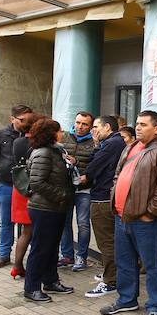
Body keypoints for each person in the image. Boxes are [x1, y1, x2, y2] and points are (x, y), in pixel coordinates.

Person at [100, 110, 157, 315]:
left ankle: (155, 306)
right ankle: (127, 300)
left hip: (145, 222)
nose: (138, 127)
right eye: (137, 124)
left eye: (144, 124)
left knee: (151, 265)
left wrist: (149, 214)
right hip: (122, 217)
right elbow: (117, 175)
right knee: (124, 262)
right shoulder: (130, 147)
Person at [23, 118, 75, 302]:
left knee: (52, 247)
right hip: (44, 208)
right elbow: (37, 183)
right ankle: (31, 288)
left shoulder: (56, 150)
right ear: (50, 133)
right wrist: (61, 194)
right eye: (59, 130)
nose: (62, 133)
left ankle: (50, 281)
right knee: (40, 248)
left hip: (56, 207)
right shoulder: (43, 153)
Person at [84, 115, 127, 298]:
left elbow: (92, 168)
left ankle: (111, 281)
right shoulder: (115, 143)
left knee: (106, 242)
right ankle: (112, 275)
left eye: (96, 127)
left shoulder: (112, 144)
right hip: (106, 196)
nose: (93, 130)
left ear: (107, 127)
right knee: (110, 241)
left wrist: (95, 145)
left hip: (103, 198)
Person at [0, 105, 35, 269]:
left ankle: (24, 256)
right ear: (12, 119)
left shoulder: (34, 136)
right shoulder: (0, 134)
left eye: (28, 120)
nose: (26, 123)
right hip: (6, 185)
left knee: (28, 224)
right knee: (6, 221)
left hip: (29, 188)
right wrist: (6, 170)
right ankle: (3, 255)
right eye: (22, 120)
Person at [58, 111, 96, 271]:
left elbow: (97, 165)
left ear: (90, 126)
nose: (80, 126)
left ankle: (82, 257)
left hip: (84, 189)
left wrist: (78, 163)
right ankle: (67, 256)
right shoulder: (64, 137)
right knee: (64, 223)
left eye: (84, 124)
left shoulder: (95, 142)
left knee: (83, 224)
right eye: (78, 122)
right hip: (65, 188)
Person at [9, 116, 36, 280]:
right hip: (32, 190)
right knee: (31, 232)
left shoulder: (17, 142)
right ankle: (20, 266)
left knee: (26, 232)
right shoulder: (37, 144)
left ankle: (17, 266)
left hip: (19, 187)